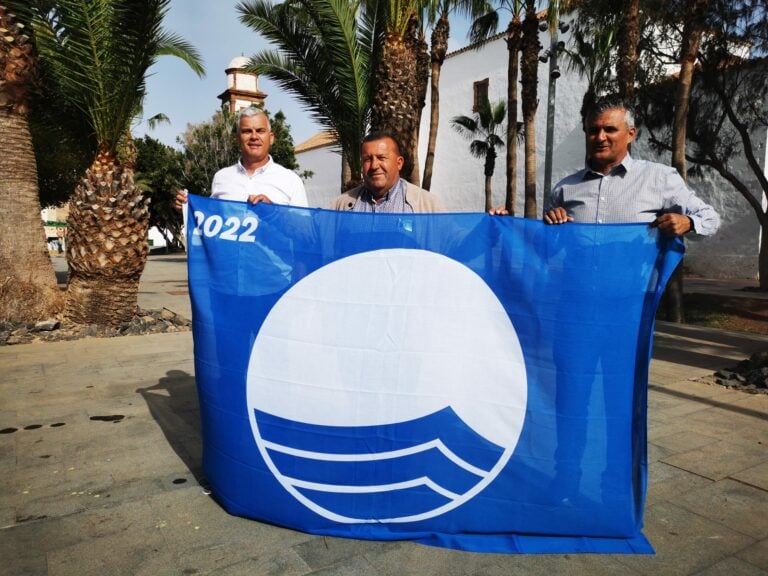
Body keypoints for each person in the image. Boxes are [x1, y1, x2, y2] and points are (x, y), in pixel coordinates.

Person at [543, 93, 719, 236]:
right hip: (579, 280)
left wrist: (687, 223)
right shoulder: (564, 188)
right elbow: (545, 243)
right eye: (593, 130)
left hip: (634, 280)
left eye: (610, 129)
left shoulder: (659, 178)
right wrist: (552, 223)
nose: (600, 137)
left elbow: (710, 219)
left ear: (630, 134)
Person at [175, 107, 308, 210]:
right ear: (238, 139)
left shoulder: (291, 180)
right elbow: (210, 220)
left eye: (260, 130)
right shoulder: (221, 177)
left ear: (271, 138)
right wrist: (188, 208)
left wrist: (273, 211)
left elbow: (305, 232)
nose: (254, 137)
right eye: (247, 131)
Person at [331, 131, 445, 213]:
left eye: (381, 158)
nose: (374, 165)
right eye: (367, 159)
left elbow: (453, 242)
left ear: (399, 163)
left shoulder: (428, 206)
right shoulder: (340, 206)